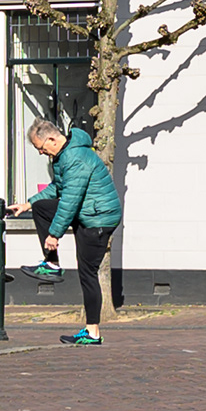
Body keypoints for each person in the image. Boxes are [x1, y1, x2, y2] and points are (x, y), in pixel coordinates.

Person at [30, 117, 123, 344]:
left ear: (52, 140)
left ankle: (93, 333)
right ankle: (52, 264)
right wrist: (28, 203)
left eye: (40, 148)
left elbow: (70, 200)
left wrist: (54, 235)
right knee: (41, 208)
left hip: (98, 219)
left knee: (88, 273)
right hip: (88, 212)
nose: (41, 153)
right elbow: (58, 187)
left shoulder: (75, 157)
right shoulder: (65, 154)